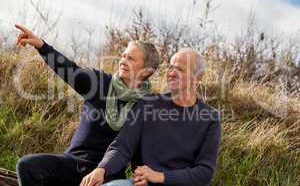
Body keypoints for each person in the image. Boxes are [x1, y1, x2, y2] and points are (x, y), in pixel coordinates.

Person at [14, 24, 160, 186]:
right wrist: (42, 46)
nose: (123, 61)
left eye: (131, 58)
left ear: (147, 70)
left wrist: (141, 177)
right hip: (73, 164)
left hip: (107, 176)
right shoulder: (99, 83)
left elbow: (140, 151)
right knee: (27, 165)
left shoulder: (147, 106)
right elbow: (70, 70)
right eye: (124, 55)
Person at [81, 49, 221, 186]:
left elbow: (204, 172)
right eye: (170, 67)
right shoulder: (148, 103)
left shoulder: (210, 118)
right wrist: (102, 169)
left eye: (180, 69)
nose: (172, 73)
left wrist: (160, 177)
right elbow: (122, 146)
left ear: (199, 77)